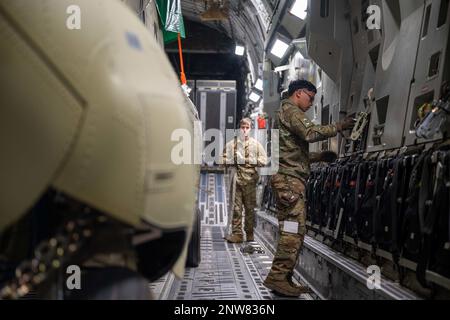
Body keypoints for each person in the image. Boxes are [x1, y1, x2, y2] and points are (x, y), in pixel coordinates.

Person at [263, 79, 355, 296]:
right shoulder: (291, 110)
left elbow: (290, 154)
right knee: (293, 231)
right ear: (299, 93)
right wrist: (339, 126)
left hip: (288, 178)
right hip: (289, 181)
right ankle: (277, 277)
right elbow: (310, 133)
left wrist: (318, 157)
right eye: (310, 98)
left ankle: (284, 278)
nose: (312, 103)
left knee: (296, 229)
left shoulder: (283, 113)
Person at [222, 118, 268, 243]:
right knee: (236, 209)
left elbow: (264, 160)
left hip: (250, 182)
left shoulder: (256, 145)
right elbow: (222, 160)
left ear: (250, 129)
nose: (244, 130)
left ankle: (249, 233)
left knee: (249, 209)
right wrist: (233, 160)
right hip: (236, 181)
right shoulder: (231, 145)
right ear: (239, 128)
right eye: (242, 127)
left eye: (247, 127)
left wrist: (249, 160)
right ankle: (237, 234)